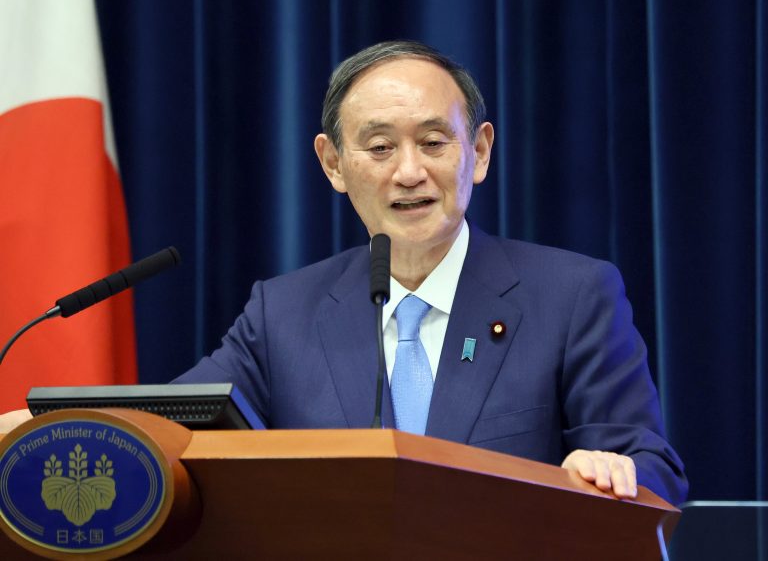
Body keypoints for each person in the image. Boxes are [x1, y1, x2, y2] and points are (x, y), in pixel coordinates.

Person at [1, 41, 687, 505]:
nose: (409, 171)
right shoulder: (285, 312)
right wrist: (39, 424)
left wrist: (610, 475)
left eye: (433, 141)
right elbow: (170, 421)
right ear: (334, 165)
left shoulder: (572, 296)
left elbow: (653, 468)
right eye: (380, 146)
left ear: (478, 152)